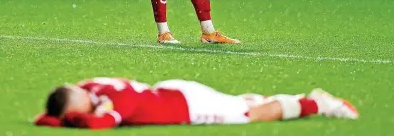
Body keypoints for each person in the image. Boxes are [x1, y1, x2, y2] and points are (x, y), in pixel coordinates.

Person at [34, 77, 359, 129]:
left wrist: (67, 121)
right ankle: (308, 101)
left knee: (248, 116)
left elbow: (100, 124)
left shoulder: (115, 101)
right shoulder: (90, 86)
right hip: (173, 93)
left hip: (184, 107)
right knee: (235, 103)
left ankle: (318, 104)